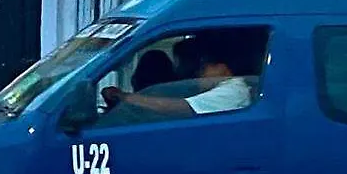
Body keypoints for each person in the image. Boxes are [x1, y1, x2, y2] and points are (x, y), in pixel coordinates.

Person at [102, 49, 252, 116]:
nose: (199, 75)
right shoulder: (226, 87)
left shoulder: (233, 90)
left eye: (203, 68)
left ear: (222, 67)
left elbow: (178, 107)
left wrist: (125, 97)